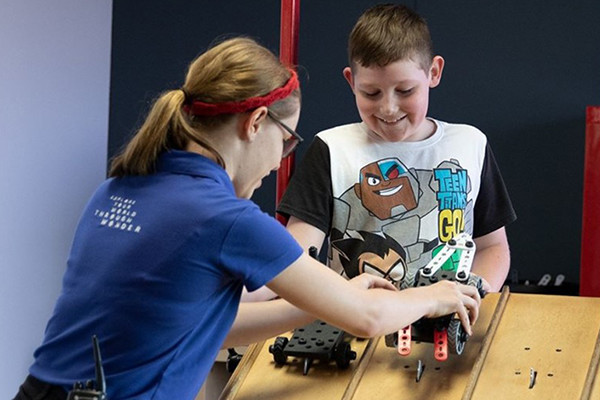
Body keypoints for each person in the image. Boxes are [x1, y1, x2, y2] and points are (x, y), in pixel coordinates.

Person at [13, 37, 480, 400]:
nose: (280, 162)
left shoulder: (115, 190)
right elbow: (369, 317)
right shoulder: (225, 218)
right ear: (256, 123)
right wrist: (435, 295)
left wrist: (326, 300)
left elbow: (200, 321)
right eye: (286, 142)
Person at [277, 4, 517, 293]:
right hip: (357, 320)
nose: (389, 108)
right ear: (351, 82)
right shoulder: (331, 148)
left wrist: (476, 293)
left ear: (434, 72)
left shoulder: (470, 143)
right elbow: (299, 255)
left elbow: (491, 246)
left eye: (405, 91)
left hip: (444, 322)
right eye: (371, 93)